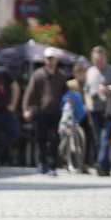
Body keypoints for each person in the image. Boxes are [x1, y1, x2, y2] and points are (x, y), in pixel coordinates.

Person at [22, 46, 68, 176]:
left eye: (52, 58)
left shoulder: (61, 76)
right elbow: (29, 93)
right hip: (41, 112)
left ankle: (52, 165)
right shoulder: (38, 74)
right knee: (41, 139)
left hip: (56, 113)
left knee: (54, 139)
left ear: (56, 60)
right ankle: (42, 163)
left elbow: (66, 94)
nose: (50, 61)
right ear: (44, 59)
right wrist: (25, 108)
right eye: (48, 58)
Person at [83, 46, 111, 176]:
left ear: (105, 58)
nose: (98, 61)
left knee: (105, 137)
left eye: (100, 58)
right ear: (92, 58)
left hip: (109, 110)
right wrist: (88, 102)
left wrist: (110, 89)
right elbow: (86, 90)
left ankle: (100, 163)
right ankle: (106, 168)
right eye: (96, 59)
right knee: (98, 139)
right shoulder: (90, 72)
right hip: (94, 110)